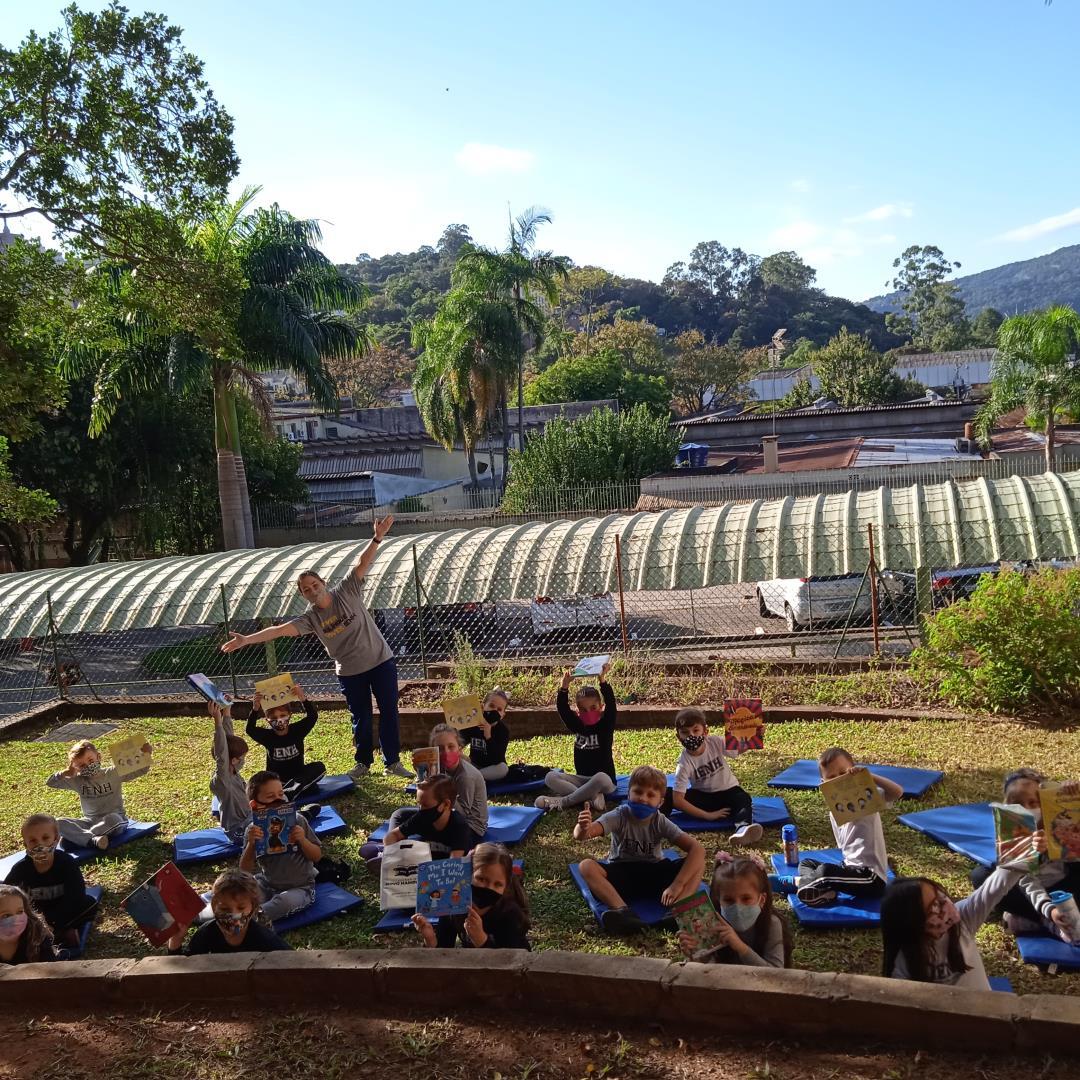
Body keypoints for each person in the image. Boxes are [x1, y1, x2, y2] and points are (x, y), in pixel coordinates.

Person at [220, 516, 412, 781]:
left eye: (315, 585)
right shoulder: (310, 619)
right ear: (304, 595)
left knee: (389, 712)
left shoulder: (347, 590)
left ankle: (392, 762)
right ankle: (363, 763)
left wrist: (377, 537)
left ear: (323, 583)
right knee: (362, 717)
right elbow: (278, 631)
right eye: (307, 590)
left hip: (381, 662)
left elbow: (362, 563)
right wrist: (245, 640)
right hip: (350, 672)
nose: (313, 591)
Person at [881, 839, 1045, 989]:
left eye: (942, 895)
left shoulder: (963, 919)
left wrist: (1027, 850)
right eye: (935, 906)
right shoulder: (902, 967)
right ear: (913, 923)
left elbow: (998, 884)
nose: (947, 903)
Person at [573, 764, 706, 936]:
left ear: (660, 802)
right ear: (628, 793)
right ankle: (624, 913)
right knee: (585, 866)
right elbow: (583, 835)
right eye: (638, 792)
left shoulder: (660, 821)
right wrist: (582, 827)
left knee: (698, 863)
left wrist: (676, 885)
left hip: (655, 873)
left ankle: (678, 910)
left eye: (651, 795)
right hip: (622, 874)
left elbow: (698, 849)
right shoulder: (618, 815)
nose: (643, 798)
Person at [770, 747, 903, 907]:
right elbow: (844, 846)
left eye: (843, 773)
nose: (840, 780)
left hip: (871, 878)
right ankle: (823, 890)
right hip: (850, 868)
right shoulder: (835, 813)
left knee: (825, 871)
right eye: (832, 778)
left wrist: (869, 776)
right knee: (807, 864)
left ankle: (798, 883)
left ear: (853, 771)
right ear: (823, 784)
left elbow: (897, 792)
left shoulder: (867, 799)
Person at [973, 770, 1080, 940]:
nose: (1027, 810)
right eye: (1017, 804)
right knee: (981, 876)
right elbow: (1027, 881)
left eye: (1033, 802)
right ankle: (1049, 922)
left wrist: (1073, 796)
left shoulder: (1060, 820)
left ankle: (1025, 921)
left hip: (1066, 887)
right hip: (1028, 892)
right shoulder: (1010, 832)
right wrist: (1050, 911)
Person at [678, 852, 791, 968]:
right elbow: (707, 971)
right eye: (728, 900)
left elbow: (776, 973)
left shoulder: (771, 924)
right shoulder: (711, 923)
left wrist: (740, 947)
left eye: (746, 898)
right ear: (719, 901)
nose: (737, 907)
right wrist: (693, 955)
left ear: (761, 900)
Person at [669, 707, 763, 845]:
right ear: (678, 737)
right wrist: (708, 816)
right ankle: (652, 820)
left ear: (705, 731)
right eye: (685, 733)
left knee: (743, 799)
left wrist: (755, 736)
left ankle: (742, 829)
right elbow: (678, 800)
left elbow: (736, 750)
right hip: (704, 798)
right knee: (666, 794)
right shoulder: (684, 763)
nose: (691, 736)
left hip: (729, 792)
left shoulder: (714, 742)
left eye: (696, 730)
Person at [412, 843, 530, 950]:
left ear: (506, 887)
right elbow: (443, 952)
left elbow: (511, 964)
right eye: (481, 879)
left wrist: (482, 941)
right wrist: (430, 939)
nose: (488, 888)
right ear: (467, 875)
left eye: (498, 884)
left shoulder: (510, 914)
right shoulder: (454, 905)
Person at [4, 814, 98, 949]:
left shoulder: (67, 864)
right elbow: (7, 895)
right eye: (33, 841)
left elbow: (75, 896)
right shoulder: (20, 869)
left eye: (45, 838)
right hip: (34, 916)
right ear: (25, 844)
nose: (40, 845)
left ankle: (54, 933)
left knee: (89, 904)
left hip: (62, 912)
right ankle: (52, 935)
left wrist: (52, 922)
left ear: (56, 839)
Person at [238, 772, 321, 922]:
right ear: (254, 804)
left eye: (281, 794)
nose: (278, 799)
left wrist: (302, 840)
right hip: (266, 884)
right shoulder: (252, 829)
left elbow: (316, 856)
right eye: (270, 797)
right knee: (240, 892)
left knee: (284, 902)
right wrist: (251, 845)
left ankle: (252, 918)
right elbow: (244, 870)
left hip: (300, 888)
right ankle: (236, 912)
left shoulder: (298, 820)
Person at [536, 664, 617, 813]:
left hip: (604, 782)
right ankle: (590, 799)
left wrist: (602, 680)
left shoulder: (606, 725)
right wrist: (564, 686)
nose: (589, 712)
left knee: (601, 777)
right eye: (584, 710)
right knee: (550, 777)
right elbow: (563, 709)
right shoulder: (578, 725)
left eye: (593, 708)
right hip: (581, 780)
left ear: (601, 706)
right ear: (578, 711)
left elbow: (612, 705)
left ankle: (563, 802)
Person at [45, 737, 152, 850]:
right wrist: (66, 772)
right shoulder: (77, 780)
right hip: (89, 822)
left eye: (90, 760)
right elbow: (50, 782)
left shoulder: (113, 773)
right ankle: (92, 840)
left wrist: (146, 753)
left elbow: (141, 770)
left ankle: (79, 839)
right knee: (57, 822)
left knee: (113, 819)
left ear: (99, 757)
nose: (88, 766)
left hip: (115, 819)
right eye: (82, 765)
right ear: (76, 768)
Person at [364, 774, 476, 868]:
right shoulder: (422, 817)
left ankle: (384, 855)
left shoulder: (459, 827)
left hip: (435, 864)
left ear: (446, 804)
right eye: (419, 804)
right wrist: (394, 853)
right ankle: (385, 853)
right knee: (399, 816)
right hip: (423, 856)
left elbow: (451, 868)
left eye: (425, 805)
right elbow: (391, 836)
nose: (421, 809)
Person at [168, 869, 291, 955]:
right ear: (214, 906)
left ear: (253, 908)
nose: (233, 915)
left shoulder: (263, 937)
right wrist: (176, 940)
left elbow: (290, 961)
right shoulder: (207, 933)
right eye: (225, 909)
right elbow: (184, 969)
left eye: (241, 908)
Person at [245, 682, 326, 803]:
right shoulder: (267, 736)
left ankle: (287, 793)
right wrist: (255, 708)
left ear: (290, 715)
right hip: (276, 782)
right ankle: (288, 791)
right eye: (273, 718)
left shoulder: (297, 730)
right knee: (258, 781)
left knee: (319, 767)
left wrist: (302, 698)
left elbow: (312, 716)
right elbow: (250, 729)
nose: (279, 720)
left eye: (283, 715)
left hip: (298, 776)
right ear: (267, 720)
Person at [209, 700, 252, 846]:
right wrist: (217, 721)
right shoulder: (223, 778)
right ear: (233, 760)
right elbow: (222, 752)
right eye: (242, 757)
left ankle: (301, 816)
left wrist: (227, 712)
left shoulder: (233, 769)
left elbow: (228, 741)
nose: (243, 761)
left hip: (249, 818)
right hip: (237, 829)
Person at [461, 689, 511, 784]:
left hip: (491, 768)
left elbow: (498, 759)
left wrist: (488, 736)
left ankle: (473, 777)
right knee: (454, 755)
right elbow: (461, 740)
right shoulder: (474, 723)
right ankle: (474, 778)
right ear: (483, 707)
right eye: (491, 706)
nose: (494, 711)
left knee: (503, 768)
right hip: (473, 764)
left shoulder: (503, 731)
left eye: (499, 709)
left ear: (503, 715)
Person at [0, 884, 56, 965]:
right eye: (6, 915)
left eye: (20, 912)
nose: (16, 920)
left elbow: (51, 969)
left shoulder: (37, 936)